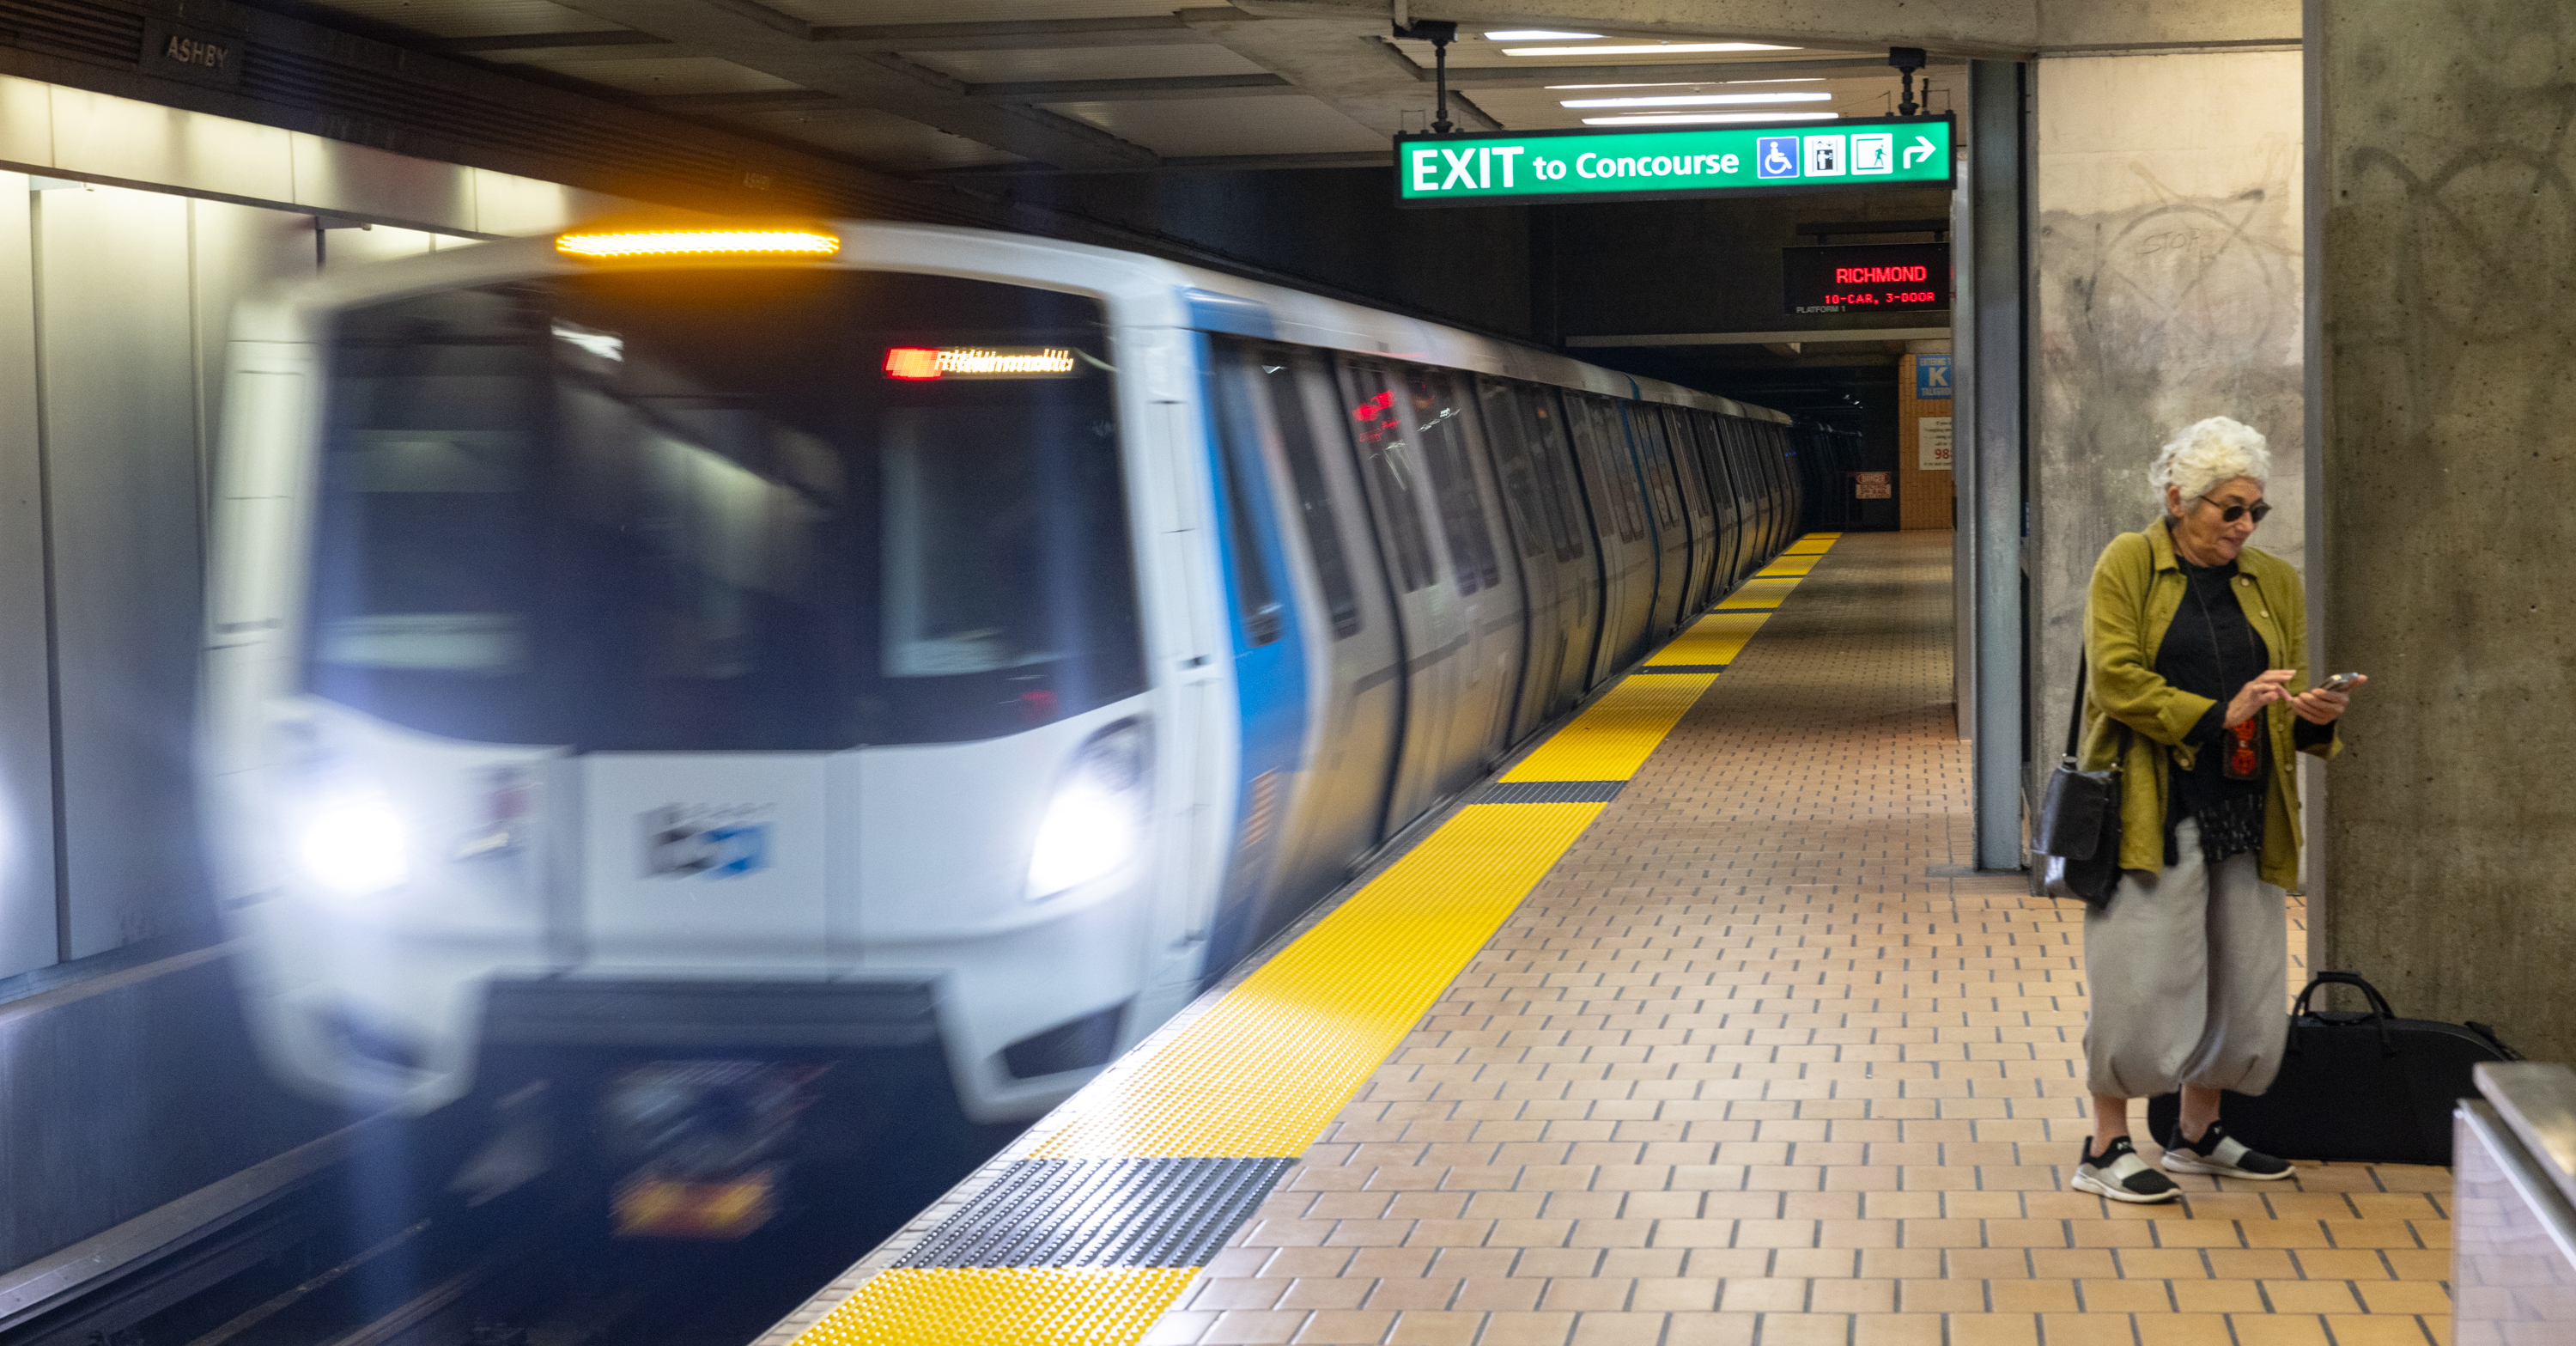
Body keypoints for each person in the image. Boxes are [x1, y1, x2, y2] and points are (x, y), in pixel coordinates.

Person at [2069, 417, 2360, 1204]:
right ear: (2177, 499)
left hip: (2248, 805)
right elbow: (2117, 681)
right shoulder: (2128, 563)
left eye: (2254, 511)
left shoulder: (2274, 581)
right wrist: (2219, 711)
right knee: (2141, 974)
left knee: (2246, 976)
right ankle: (2105, 1144)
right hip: (2152, 806)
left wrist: (2311, 714)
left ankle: (2198, 1132)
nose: (2243, 526)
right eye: (2228, 509)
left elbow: (2281, 697)